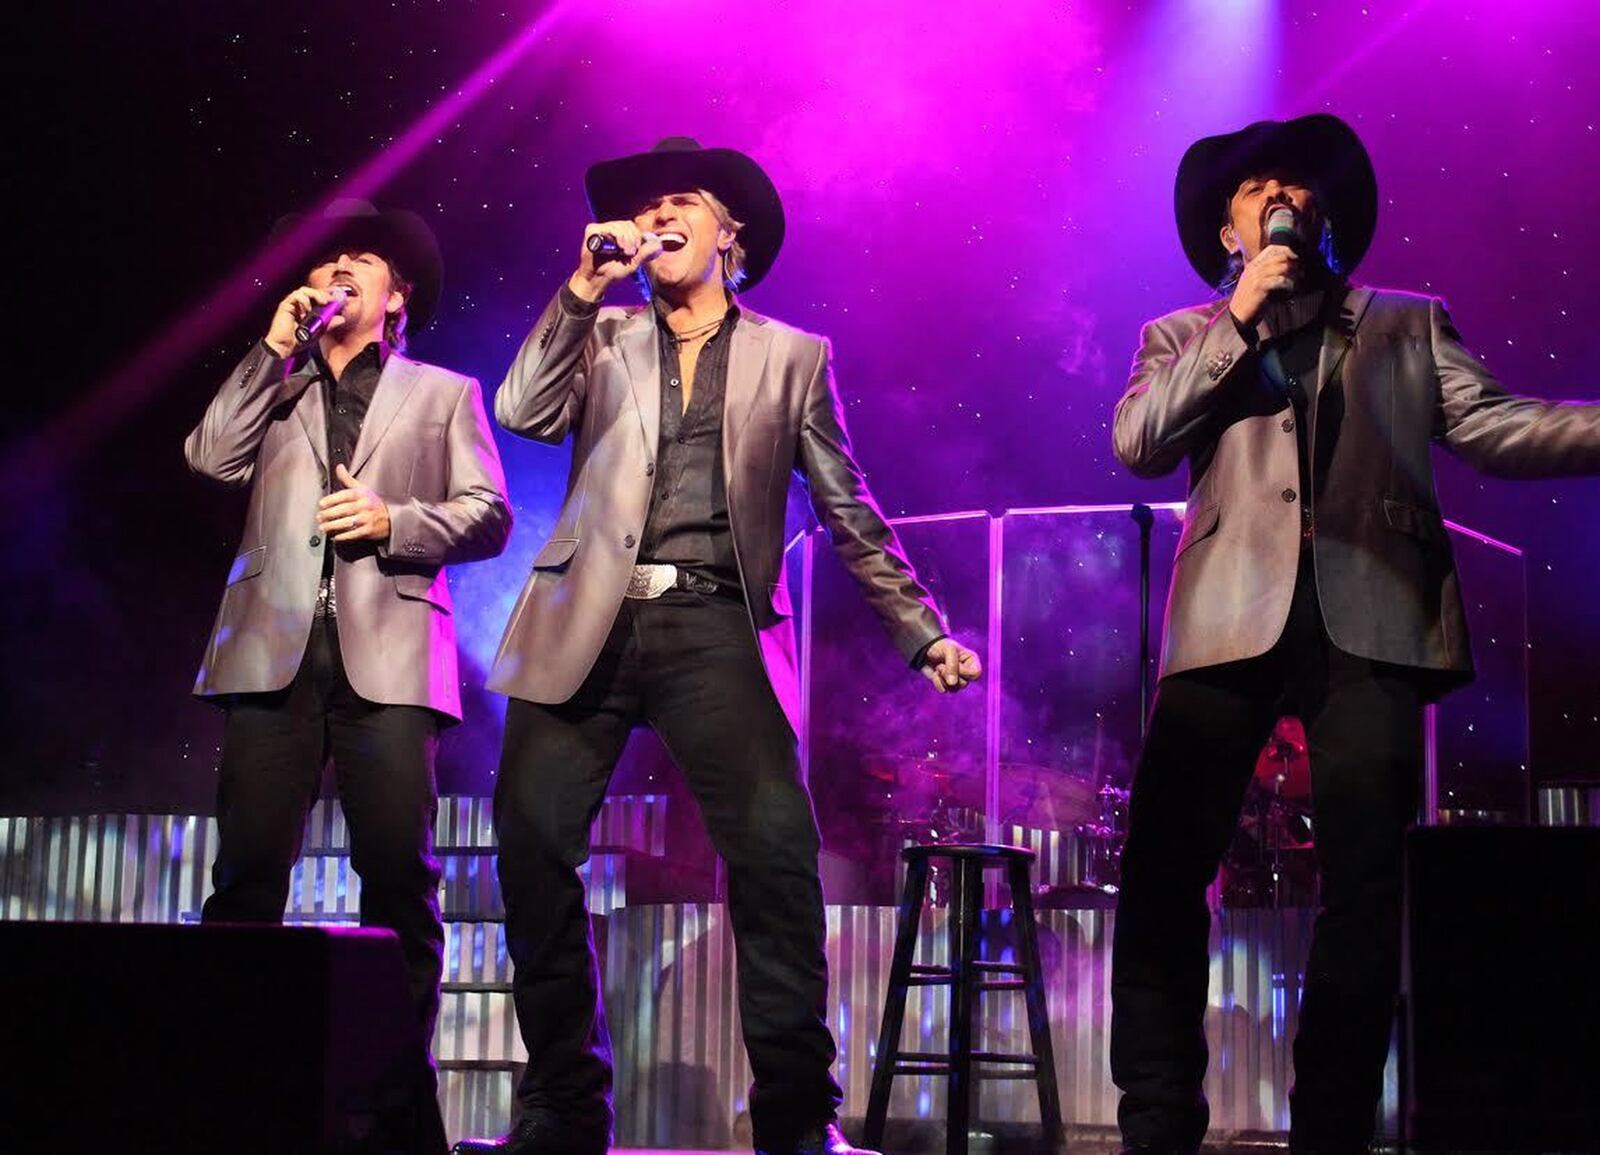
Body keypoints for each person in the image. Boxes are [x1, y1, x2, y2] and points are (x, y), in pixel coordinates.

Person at [458, 138, 981, 1155]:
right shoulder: (600, 334)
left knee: (777, 861)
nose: (658, 217)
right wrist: (578, 288)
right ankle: (564, 1105)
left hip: (717, 625)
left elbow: (848, 509)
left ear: (727, 233)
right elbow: (521, 410)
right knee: (529, 843)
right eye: (645, 205)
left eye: (681, 202)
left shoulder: (794, 358)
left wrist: (921, 633)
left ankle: (795, 1119)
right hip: (587, 618)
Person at [1109, 113, 1600, 1154]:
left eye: (1294, 186)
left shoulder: (1405, 325)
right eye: (1253, 191)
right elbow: (1139, 444)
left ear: (1329, 217)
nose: (1279, 196)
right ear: (1224, 237)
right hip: (1225, 619)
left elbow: (1497, 427)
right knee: (1161, 871)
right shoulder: (1180, 336)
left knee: (1366, 885)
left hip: (1371, 618)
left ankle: (1328, 1129)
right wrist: (1234, 321)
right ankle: (1156, 1120)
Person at [185, 199, 512, 1107]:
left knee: (400, 882)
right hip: (270, 653)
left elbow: (490, 513)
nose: (337, 270)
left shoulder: (444, 393)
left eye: (360, 261)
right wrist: (268, 346)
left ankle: (394, 1101)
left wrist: (392, 520)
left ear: (396, 295)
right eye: (328, 259)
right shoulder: (277, 387)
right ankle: (227, 1096)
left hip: (392, 657)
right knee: (247, 873)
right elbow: (210, 458)